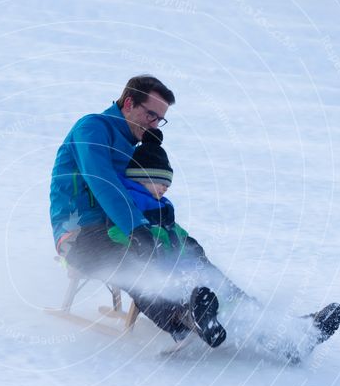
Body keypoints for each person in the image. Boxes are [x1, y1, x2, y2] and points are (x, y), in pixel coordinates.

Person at [49, 75, 227, 347]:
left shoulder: (133, 145)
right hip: (80, 236)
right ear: (129, 103)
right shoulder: (93, 128)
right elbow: (102, 182)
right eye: (151, 115)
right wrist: (137, 229)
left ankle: (267, 324)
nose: (154, 124)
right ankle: (182, 317)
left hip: (120, 226)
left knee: (188, 250)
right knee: (133, 259)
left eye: (160, 119)